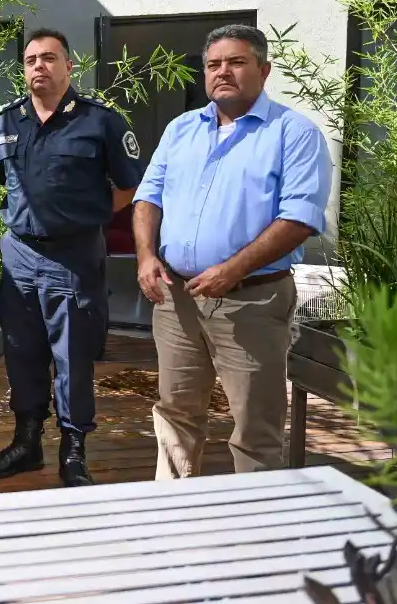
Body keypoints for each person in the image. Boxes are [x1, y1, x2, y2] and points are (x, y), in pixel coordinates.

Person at [133, 24, 331, 478]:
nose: (223, 72)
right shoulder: (181, 129)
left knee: (255, 425)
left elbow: (300, 219)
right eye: (213, 64)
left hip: (251, 300)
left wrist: (231, 269)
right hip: (176, 298)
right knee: (176, 412)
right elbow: (148, 198)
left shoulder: (294, 133)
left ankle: (255, 515)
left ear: (264, 69)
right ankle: (173, 507)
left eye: (236, 62)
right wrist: (146, 256)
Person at [0, 27, 143, 487]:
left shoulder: (100, 121)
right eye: (31, 60)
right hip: (19, 255)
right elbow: (5, 183)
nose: (39, 66)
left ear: (69, 66)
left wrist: (89, 215)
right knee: (21, 352)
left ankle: (73, 450)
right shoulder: (6, 121)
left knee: (72, 356)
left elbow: (130, 185)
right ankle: (27, 442)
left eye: (49, 58)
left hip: (72, 255)